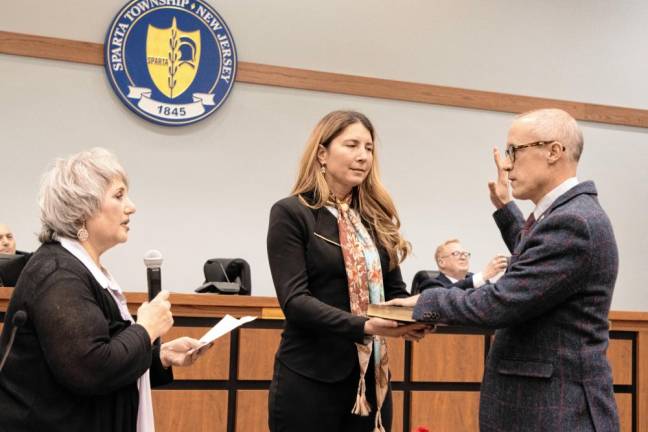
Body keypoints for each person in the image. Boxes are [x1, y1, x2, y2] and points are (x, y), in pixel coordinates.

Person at [388, 109, 619, 431]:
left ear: (554, 151)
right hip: (544, 404)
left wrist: (426, 301)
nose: (507, 164)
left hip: (555, 409)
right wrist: (506, 208)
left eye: (515, 151)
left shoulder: (574, 221)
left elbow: (503, 301)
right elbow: (535, 263)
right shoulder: (565, 216)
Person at [0, 148, 210, 432]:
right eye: (119, 195)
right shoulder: (59, 274)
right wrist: (146, 330)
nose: (131, 207)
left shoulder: (79, 267)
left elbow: (102, 354)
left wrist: (158, 357)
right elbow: (91, 369)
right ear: (83, 209)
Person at [267, 110, 425, 432]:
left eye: (368, 148)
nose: (363, 156)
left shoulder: (374, 219)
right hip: (310, 378)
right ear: (322, 153)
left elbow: (394, 293)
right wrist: (366, 326)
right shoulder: (293, 213)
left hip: (372, 380)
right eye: (352, 145)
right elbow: (295, 301)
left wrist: (419, 312)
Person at [417, 238, 508, 291]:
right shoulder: (431, 284)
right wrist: (483, 276)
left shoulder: (480, 281)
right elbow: (442, 296)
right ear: (441, 262)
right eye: (456, 253)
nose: (463, 257)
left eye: (465, 254)